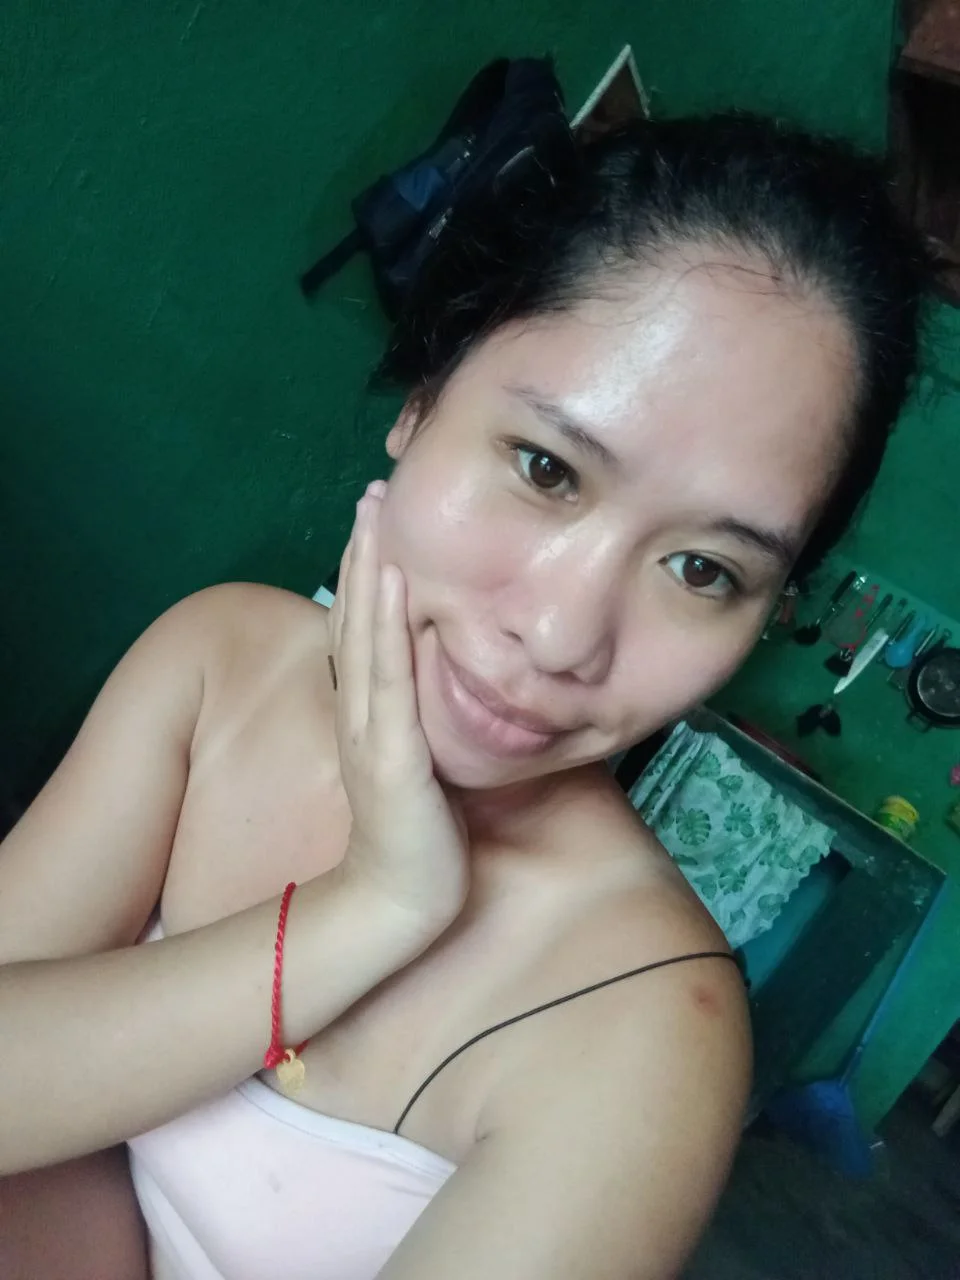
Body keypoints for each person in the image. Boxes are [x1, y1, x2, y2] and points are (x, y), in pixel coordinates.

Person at [0, 113, 926, 1280]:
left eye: (703, 569)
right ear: (423, 395)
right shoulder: (220, 661)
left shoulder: (644, 1023)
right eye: (546, 467)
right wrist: (372, 903)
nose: (559, 634)